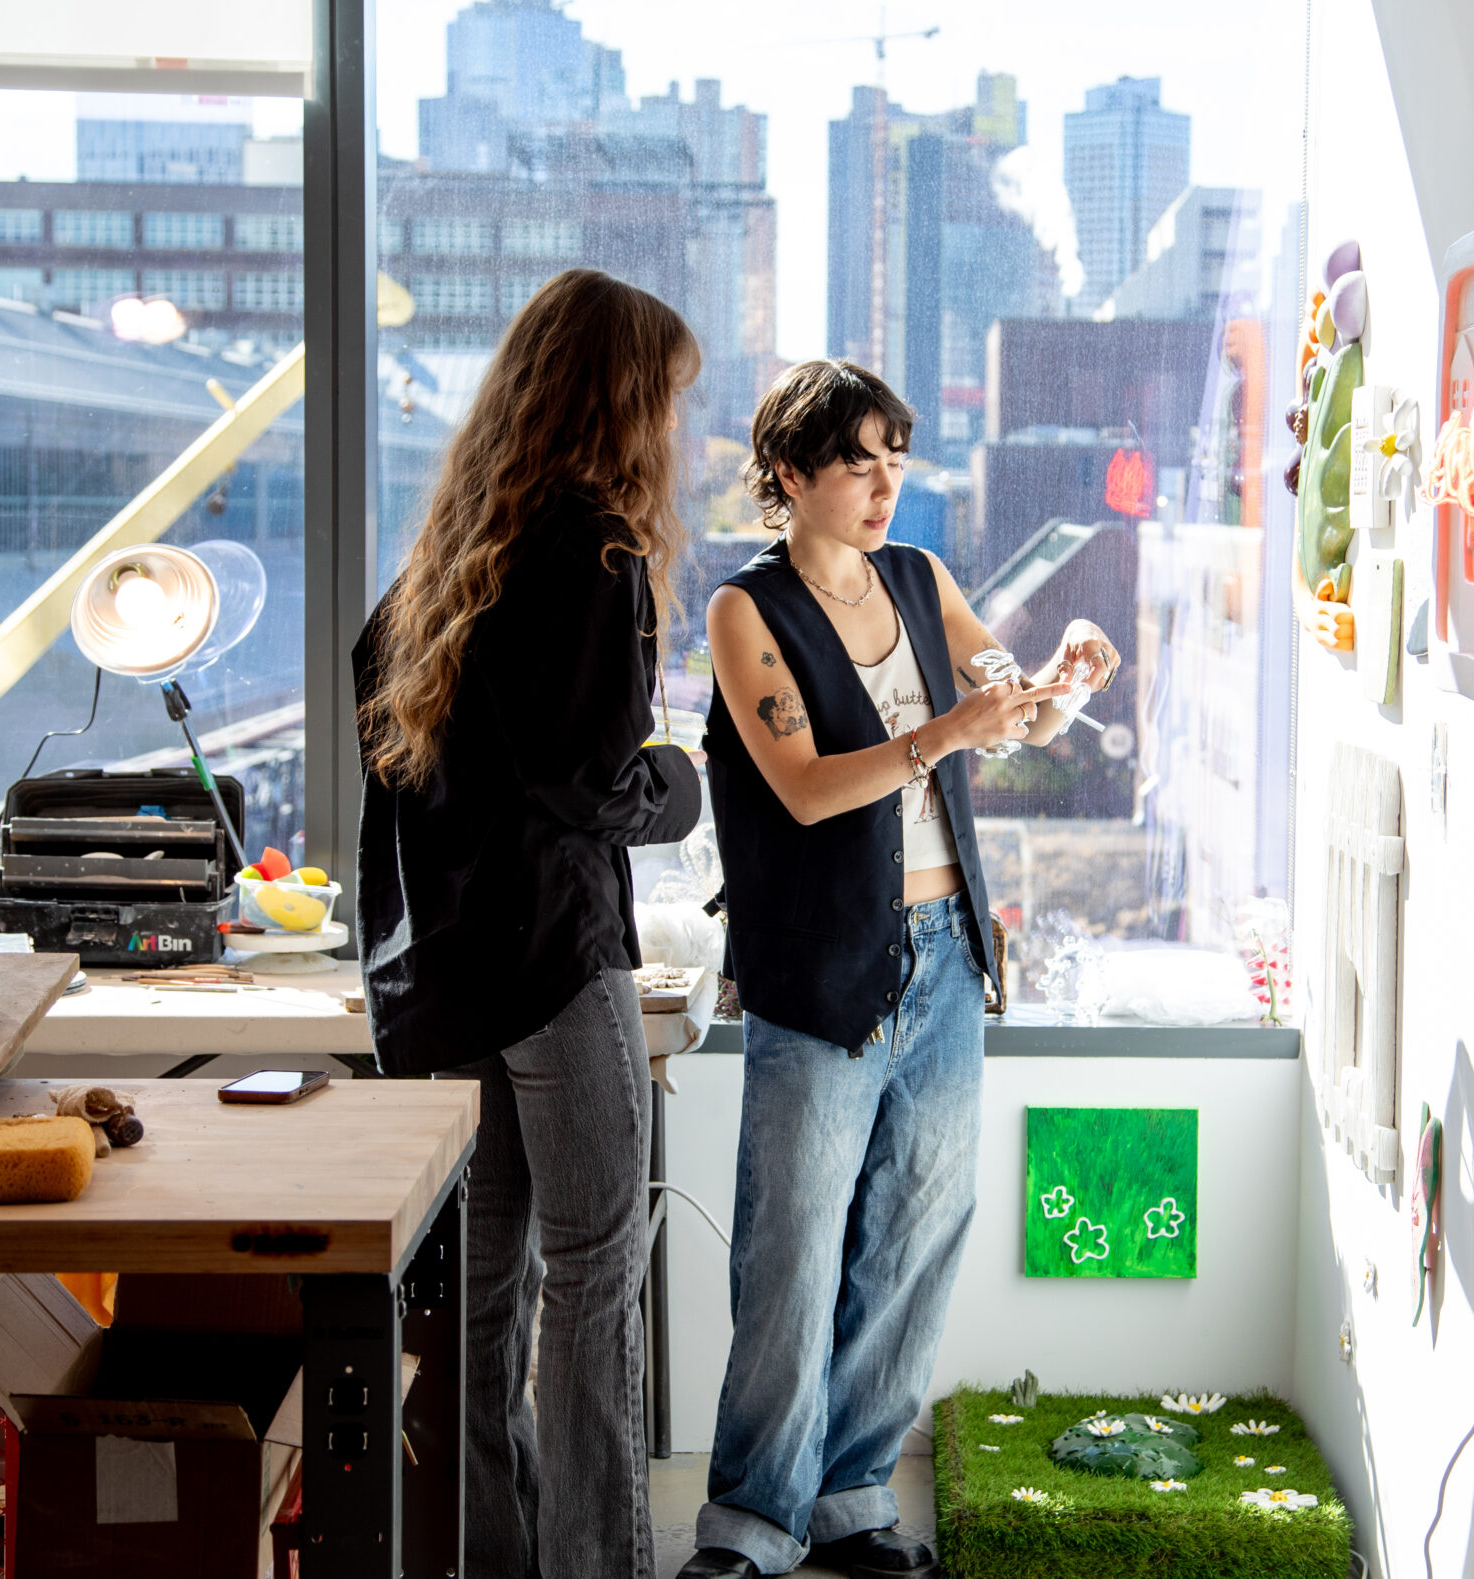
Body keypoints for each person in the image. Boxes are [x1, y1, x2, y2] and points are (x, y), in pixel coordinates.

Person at [680, 361, 1118, 1579]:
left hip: (944, 955)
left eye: (895, 460)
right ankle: (750, 1523)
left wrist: (1063, 679)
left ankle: (852, 1499)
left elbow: (1011, 710)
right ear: (790, 476)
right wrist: (942, 736)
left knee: (916, 1236)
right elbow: (809, 788)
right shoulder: (744, 612)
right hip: (823, 962)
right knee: (794, 1245)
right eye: (857, 463)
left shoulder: (921, 581)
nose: (884, 487)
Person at [354, 268, 704, 1579]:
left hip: (446, 980)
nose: (672, 431)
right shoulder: (593, 551)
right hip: (557, 965)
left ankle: (485, 1560)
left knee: (476, 1295)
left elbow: (416, 793)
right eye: (665, 400)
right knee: (598, 1277)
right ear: (617, 398)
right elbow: (596, 782)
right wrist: (684, 782)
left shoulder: (437, 567)